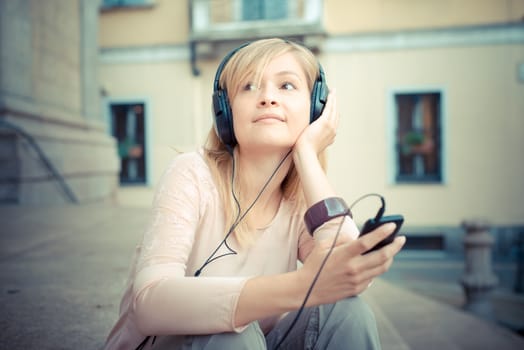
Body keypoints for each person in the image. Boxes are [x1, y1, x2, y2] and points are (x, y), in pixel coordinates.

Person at [103, 38, 406, 350]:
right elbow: (149, 304)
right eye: (248, 86)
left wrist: (307, 156)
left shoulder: (300, 201)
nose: (268, 98)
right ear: (225, 111)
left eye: (286, 86)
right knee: (232, 332)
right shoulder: (191, 173)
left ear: (316, 109)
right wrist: (301, 285)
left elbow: (348, 276)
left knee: (347, 312)